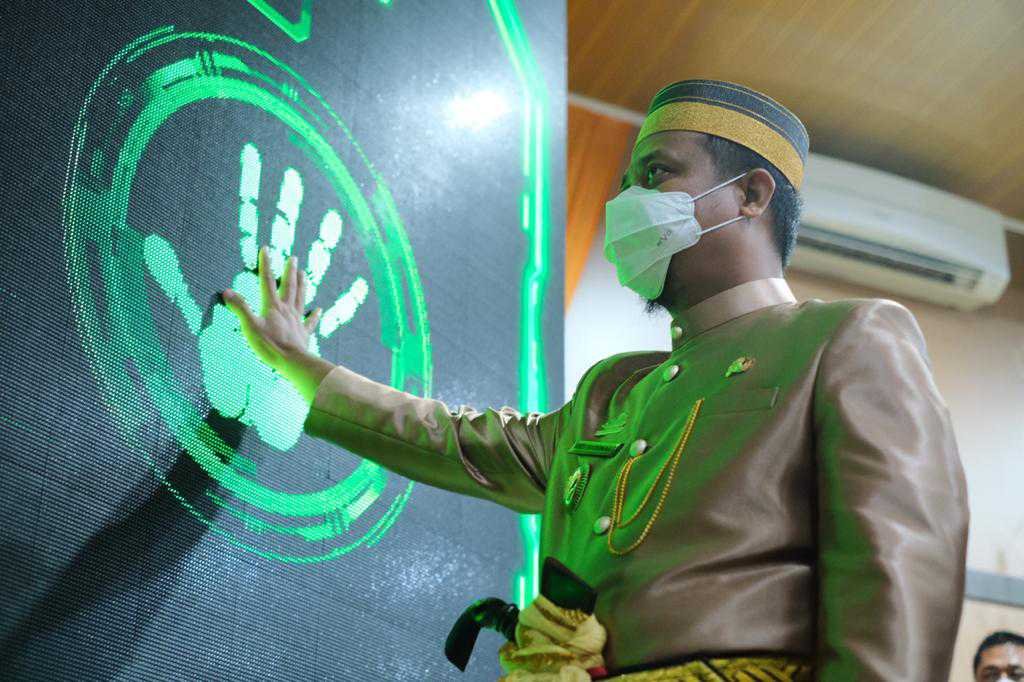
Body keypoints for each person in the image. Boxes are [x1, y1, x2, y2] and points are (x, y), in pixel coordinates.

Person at [220, 79, 969, 681]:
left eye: (655, 174)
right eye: (625, 183)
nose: (625, 205)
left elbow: (898, 574)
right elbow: (458, 442)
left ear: (751, 195)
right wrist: (301, 366)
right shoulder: (616, 389)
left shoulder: (846, 336)